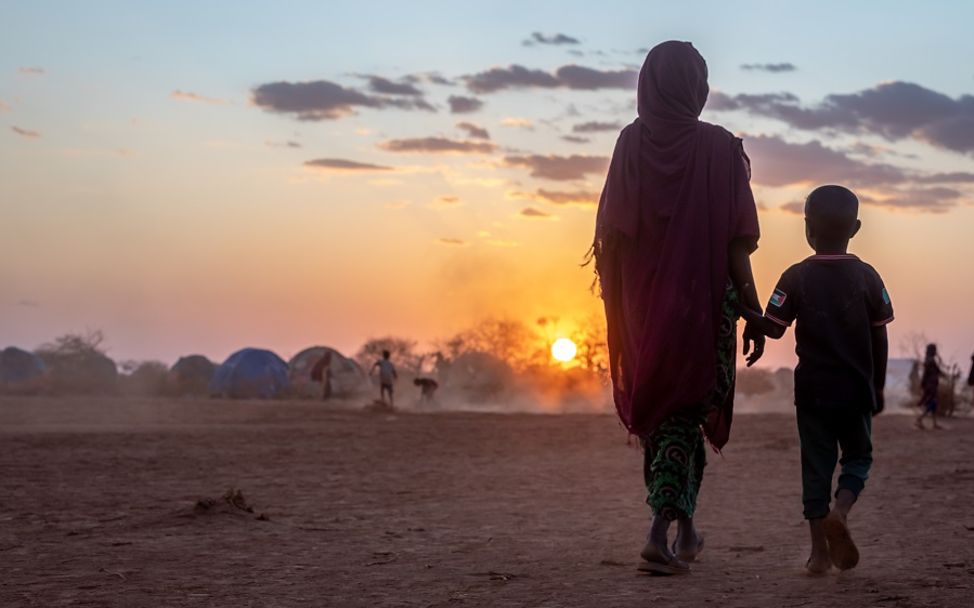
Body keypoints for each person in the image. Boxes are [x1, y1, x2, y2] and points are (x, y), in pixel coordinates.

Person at [591, 41, 763, 575]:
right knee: (684, 415)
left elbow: (610, 237)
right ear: (697, 89)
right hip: (703, 307)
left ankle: (686, 530)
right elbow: (737, 242)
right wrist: (753, 309)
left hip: (643, 310)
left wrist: (619, 310)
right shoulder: (720, 148)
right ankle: (658, 532)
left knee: (672, 416)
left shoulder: (629, 143)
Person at [737, 184, 892, 575]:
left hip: (812, 395)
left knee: (815, 468)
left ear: (808, 228)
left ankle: (818, 555)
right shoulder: (868, 277)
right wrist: (878, 385)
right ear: (855, 228)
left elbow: (772, 329)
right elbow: (879, 335)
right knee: (858, 457)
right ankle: (840, 512)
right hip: (856, 390)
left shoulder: (795, 277)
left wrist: (739, 309)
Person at [915, 344, 944, 429]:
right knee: (932, 403)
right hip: (931, 385)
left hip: (931, 385)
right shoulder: (930, 361)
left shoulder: (929, 360)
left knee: (934, 404)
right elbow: (935, 372)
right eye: (935, 349)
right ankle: (919, 419)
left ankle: (934, 423)